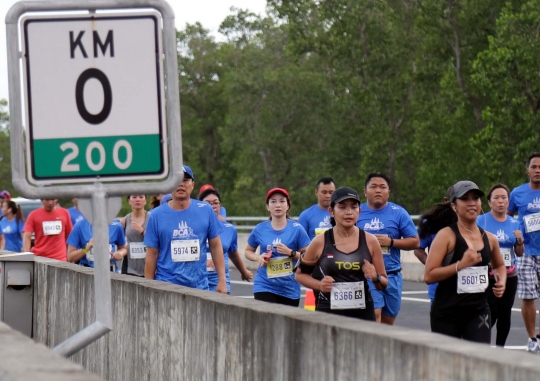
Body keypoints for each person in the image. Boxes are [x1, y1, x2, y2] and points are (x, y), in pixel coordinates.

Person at [425, 180, 506, 343]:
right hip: (447, 313)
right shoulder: (446, 236)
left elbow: (500, 265)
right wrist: (460, 265)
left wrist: (501, 281)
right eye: (465, 199)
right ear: (454, 206)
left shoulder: (490, 239)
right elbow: (429, 276)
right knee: (448, 365)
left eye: (475, 198)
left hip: (478, 312)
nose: (471, 203)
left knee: (479, 361)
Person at [295, 187, 388, 320]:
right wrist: (320, 285)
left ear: (359, 211)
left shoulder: (370, 241)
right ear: (331, 211)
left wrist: (375, 277)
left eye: (354, 207)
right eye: (342, 207)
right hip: (328, 311)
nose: (349, 212)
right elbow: (300, 275)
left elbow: (384, 283)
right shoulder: (320, 242)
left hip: (362, 313)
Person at [144, 165, 228, 293]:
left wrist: (222, 280)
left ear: (192, 185)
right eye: (176, 180)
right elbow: (152, 253)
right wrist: (148, 287)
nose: (181, 184)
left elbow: (216, 246)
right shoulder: (156, 215)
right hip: (166, 285)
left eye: (185, 180)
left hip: (199, 286)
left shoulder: (205, 210)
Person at [356, 172, 419, 324]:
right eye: (373, 187)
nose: (378, 190)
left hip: (392, 275)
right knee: (374, 316)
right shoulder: (357, 212)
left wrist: (391, 242)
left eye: (383, 187)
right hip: (368, 275)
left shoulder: (399, 213)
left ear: (388, 192)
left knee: (387, 323)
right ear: (365, 192)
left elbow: (415, 242)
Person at [244, 188, 310, 306]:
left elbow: (309, 257)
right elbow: (248, 251)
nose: (278, 205)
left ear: (288, 206)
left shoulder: (297, 229)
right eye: (273, 201)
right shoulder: (260, 229)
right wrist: (258, 258)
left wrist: (291, 252)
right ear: (267, 207)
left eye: (282, 201)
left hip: (290, 288)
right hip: (264, 285)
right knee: (267, 321)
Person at [477, 183, 523, 347]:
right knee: (491, 311)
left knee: (505, 313)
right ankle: (483, 343)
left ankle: (500, 348)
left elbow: (519, 252)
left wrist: (519, 241)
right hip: (488, 274)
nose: (500, 201)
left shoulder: (514, 223)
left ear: (509, 201)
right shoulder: (480, 221)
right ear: (489, 202)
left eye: (504, 198)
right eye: (496, 198)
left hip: (510, 274)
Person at [508, 152, 540, 353]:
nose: (538, 170)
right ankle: (532, 338)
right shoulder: (517, 193)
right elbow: (506, 215)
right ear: (527, 170)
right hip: (526, 252)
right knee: (528, 297)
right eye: (534, 167)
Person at [199, 188, 253, 292]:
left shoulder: (229, 229)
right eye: (208, 203)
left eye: (216, 203)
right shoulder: (193, 227)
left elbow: (233, 253)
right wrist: (205, 262)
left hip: (219, 280)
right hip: (197, 280)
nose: (213, 206)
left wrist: (243, 272)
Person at [414, 186, 455, 304]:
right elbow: (418, 249)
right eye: (456, 199)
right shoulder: (432, 223)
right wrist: (435, 267)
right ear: (446, 201)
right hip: (440, 289)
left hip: (468, 290)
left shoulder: (474, 223)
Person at [120, 195, 150, 277]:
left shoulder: (152, 218)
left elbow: (160, 239)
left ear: (145, 201)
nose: (138, 200)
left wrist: (143, 231)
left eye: (141, 197)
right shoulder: (124, 221)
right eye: (134, 197)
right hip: (130, 267)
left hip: (149, 266)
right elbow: (117, 242)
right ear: (129, 201)